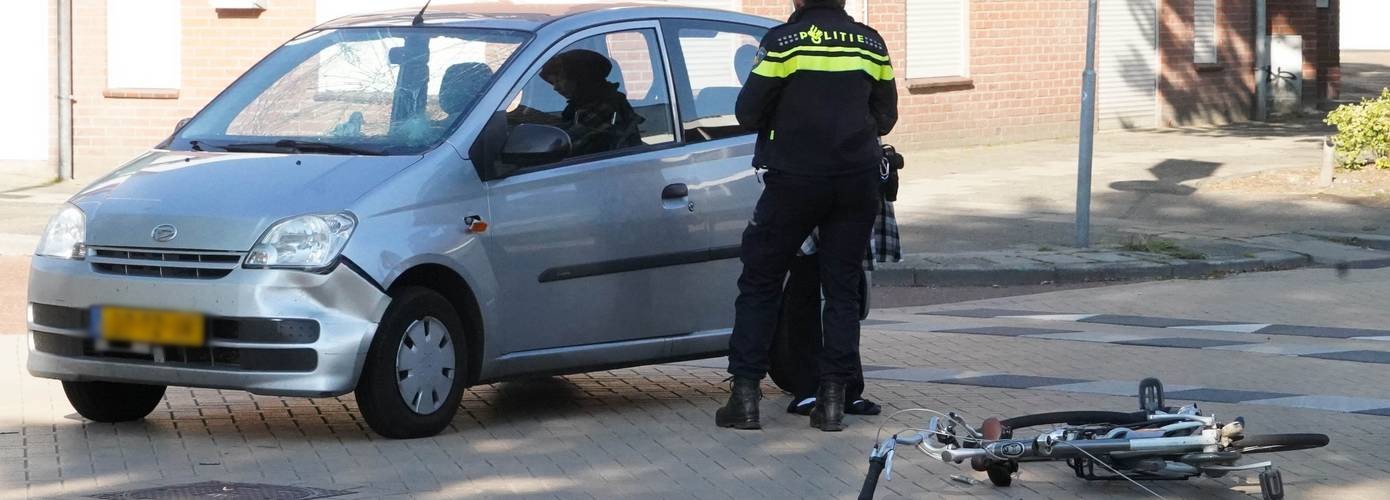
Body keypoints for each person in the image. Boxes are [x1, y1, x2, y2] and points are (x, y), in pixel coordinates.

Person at [716, 0, 897, 432]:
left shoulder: (783, 43)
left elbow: (747, 112)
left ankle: (744, 398)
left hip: (794, 180)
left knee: (760, 282)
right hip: (856, 181)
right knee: (842, 292)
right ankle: (832, 402)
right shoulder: (871, 43)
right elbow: (887, 118)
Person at [778, 196, 900, 417]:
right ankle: (838, 390)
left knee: (821, 294)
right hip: (842, 187)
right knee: (834, 294)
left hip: (821, 187)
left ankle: (827, 389)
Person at [535, 49, 642, 157]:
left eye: (559, 81)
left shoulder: (606, 107)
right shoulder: (580, 105)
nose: (555, 88)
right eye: (553, 83)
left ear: (580, 78)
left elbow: (569, 143)